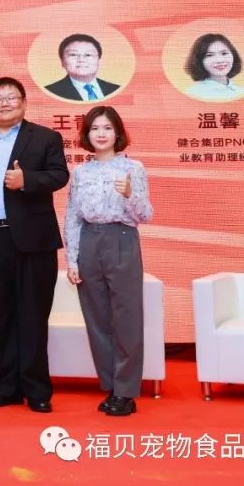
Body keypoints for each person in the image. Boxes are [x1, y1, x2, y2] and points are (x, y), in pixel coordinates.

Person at [0, 77, 69, 414]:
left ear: (24, 103)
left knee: (33, 315)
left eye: (11, 97)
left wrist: (28, 181)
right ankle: (7, 387)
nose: (5, 103)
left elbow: (59, 175)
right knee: (1, 315)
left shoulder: (46, 137)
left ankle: (37, 390)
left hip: (34, 241)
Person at [65, 106, 153, 417]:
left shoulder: (133, 168)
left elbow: (145, 215)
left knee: (127, 317)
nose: (100, 134)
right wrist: (72, 259)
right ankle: (112, 386)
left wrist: (130, 194)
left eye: (106, 128)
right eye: (94, 129)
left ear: (117, 133)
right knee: (97, 318)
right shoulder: (81, 172)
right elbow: (72, 217)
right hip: (89, 241)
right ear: (86, 135)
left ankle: (126, 391)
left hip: (122, 239)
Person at [45, 34, 120, 102]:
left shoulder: (115, 89)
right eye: (73, 54)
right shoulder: (50, 91)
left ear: (99, 60)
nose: (81, 60)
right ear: (62, 61)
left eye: (88, 55)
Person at [183, 33, 244, 101]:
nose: (219, 60)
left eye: (224, 53)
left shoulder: (242, 91)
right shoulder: (193, 94)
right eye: (210, 55)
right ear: (199, 60)